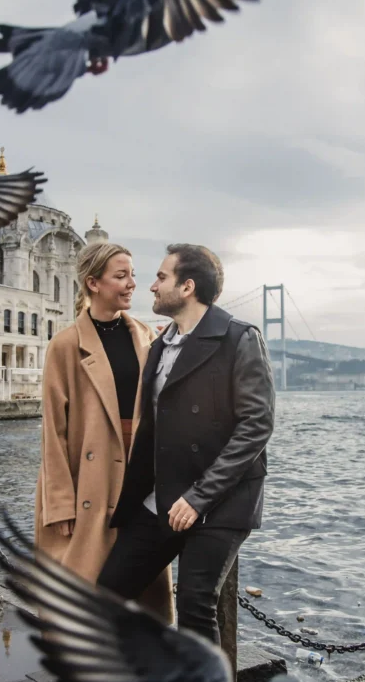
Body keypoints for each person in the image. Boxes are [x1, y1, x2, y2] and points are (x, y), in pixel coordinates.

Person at [98, 243, 275, 647]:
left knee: (196, 605)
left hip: (221, 501)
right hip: (163, 496)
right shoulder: (161, 345)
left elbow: (257, 424)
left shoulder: (239, 339)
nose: (152, 286)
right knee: (106, 593)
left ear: (188, 286)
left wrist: (200, 498)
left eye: (162, 277)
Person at [35, 241, 173, 623]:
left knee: (141, 595)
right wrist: (60, 502)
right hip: (90, 482)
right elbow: (53, 430)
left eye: (132, 274)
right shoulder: (64, 346)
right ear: (93, 283)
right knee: (87, 592)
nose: (132, 284)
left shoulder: (146, 336)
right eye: (121, 275)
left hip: (139, 475)